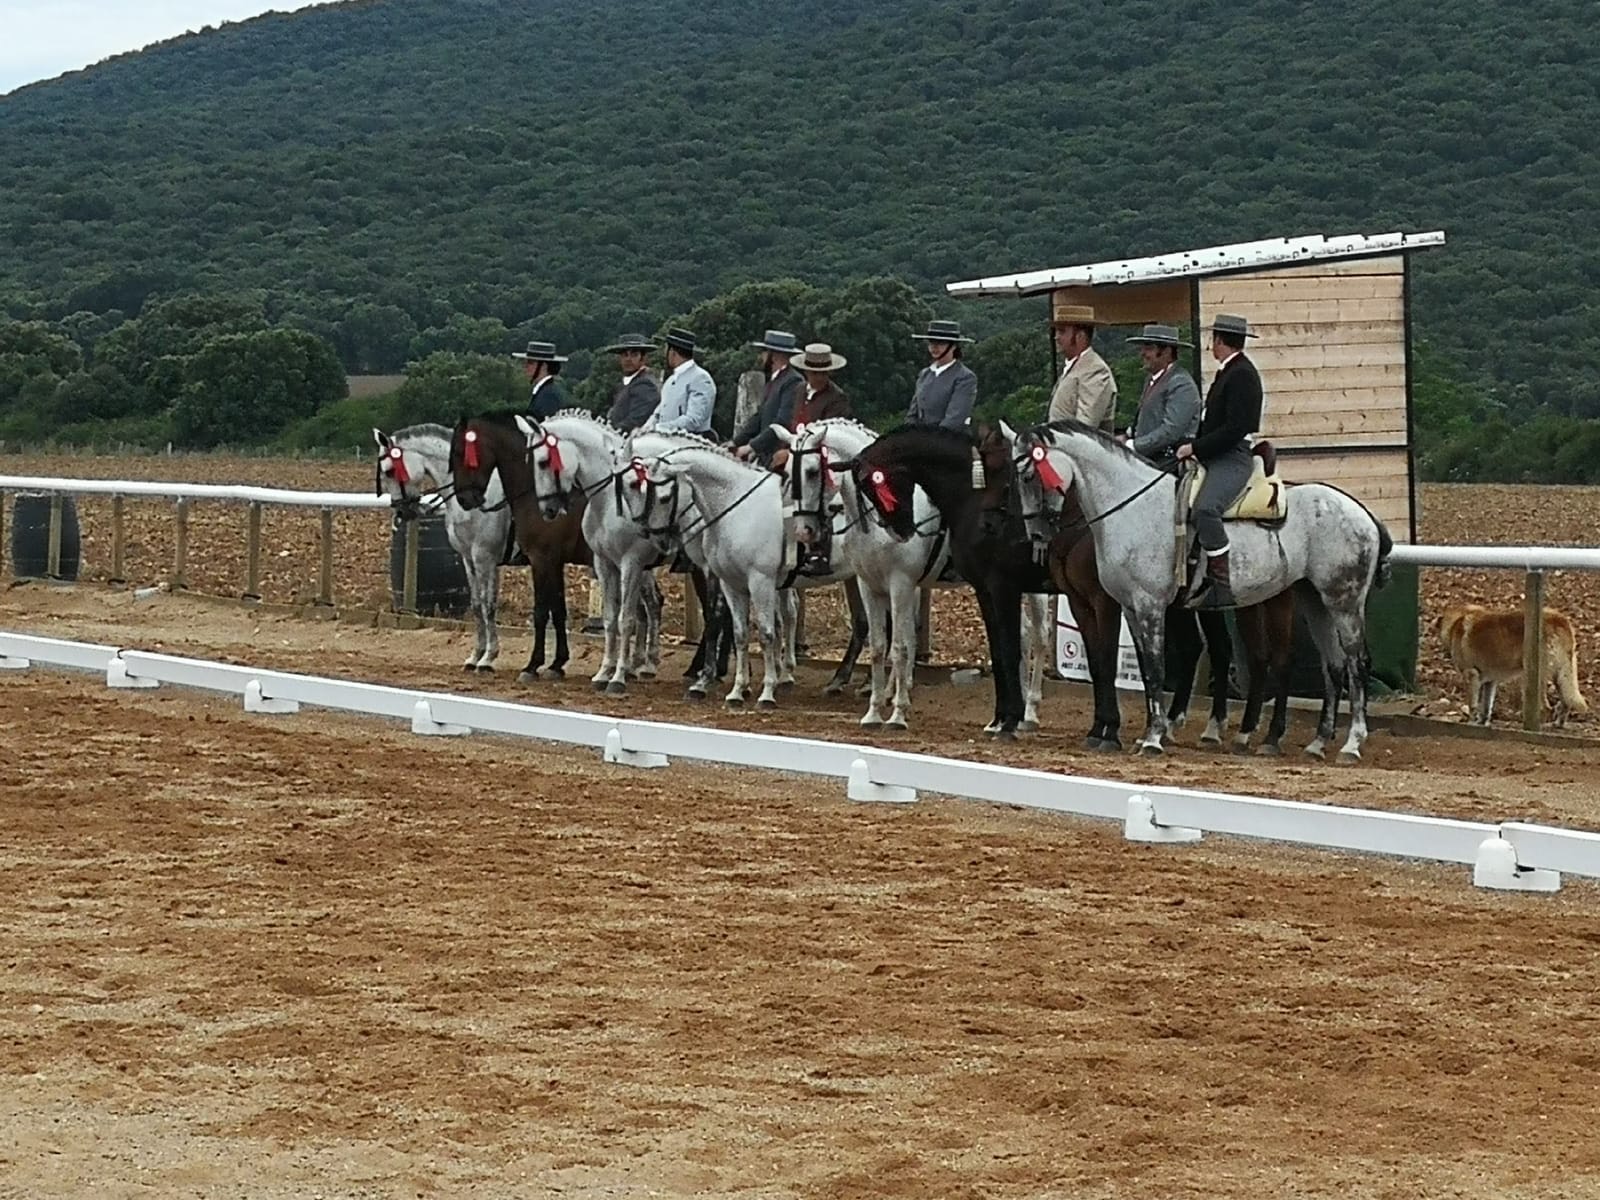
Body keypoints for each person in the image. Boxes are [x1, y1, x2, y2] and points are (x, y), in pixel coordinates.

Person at [1177, 313, 1264, 610]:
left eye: (1212, 339)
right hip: (1216, 452)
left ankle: (1221, 584)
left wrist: (1195, 447)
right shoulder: (1229, 371)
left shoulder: (1241, 374)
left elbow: (1234, 429)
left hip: (1232, 456)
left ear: (1218, 341)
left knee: (1205, 509)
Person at [1121, 323, 1200, 469]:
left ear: (1167, 352)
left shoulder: (1182, 384)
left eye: (1149, 348)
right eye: (1143, 347)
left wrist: (1133, 445)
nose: (1143, 353)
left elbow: (1171, 431)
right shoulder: (1151, 380)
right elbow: (1146, 418)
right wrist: (1127, 434)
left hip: (1170, 462)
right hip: (1149, 459)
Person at [730, 329, 803, 464]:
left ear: (773, 356)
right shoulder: (774, 381)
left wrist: (750, 447)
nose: (761, 357)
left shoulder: (792, 381)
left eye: (764, 352)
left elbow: (782, 422)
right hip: (765, 453)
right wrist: (735, 442)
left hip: (778, 456)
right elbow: (759, 418)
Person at [1047, 303, 1117, 430]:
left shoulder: (1095, 370)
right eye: (1056, 331)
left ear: (1080, 336)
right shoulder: (1076, 365)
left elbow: (1085, 426)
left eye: (1062, 331)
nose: (1056, 337)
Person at [906, 319, 977, 430]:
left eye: (941, 343)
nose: (934, 347)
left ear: (953, 346)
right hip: (919, 439)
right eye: (931, 342)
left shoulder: (965, 377)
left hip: (948, 439)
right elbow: (912, 414)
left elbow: (954, 418)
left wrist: (929, 440)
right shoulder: (924, 374)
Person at [647, 328, 716, 436]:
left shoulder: (701, 378)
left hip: (689, 443)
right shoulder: (670, 381)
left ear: (672, 353)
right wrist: (646, 428)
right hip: (664, 440)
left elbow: (693, 419)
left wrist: (659, 428)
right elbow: (658, 413)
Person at [600, 333, 661, 432]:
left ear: (643, 358)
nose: (628, 359)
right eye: (625, 355)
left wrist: (611, 432)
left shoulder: (645, 384)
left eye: (634, 354)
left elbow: (636, 420)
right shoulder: (625, 384)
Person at [512, 340, 568, 420]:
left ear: (544, 366)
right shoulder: (544, 390)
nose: (525, 366)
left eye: (530, 362)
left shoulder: (549, 395)